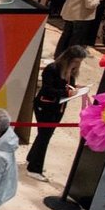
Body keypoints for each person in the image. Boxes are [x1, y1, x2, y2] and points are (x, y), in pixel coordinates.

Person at [25, 45, 87, 181]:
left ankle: (32, 159)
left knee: (44, 135)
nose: (77, 64)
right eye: (76, 61)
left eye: (79, 62)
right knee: (44, 136)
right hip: (45, 106)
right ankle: (34, 169)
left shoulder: (71, 72)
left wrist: (75, 89)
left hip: (58, 108)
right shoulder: (52, 69)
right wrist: (66, 93)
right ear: (68, 58)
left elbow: (67, 87)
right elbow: (47, 90)